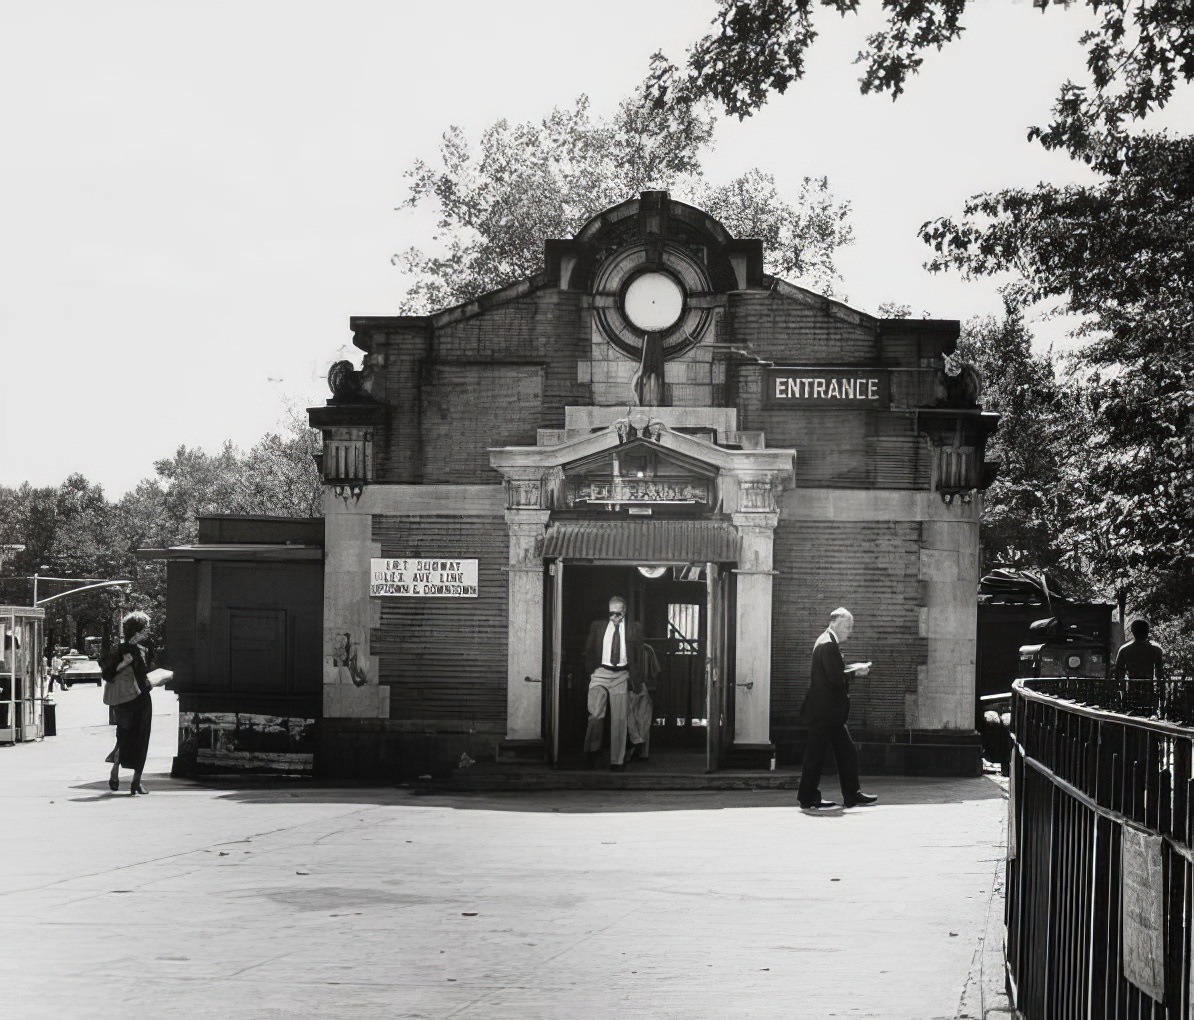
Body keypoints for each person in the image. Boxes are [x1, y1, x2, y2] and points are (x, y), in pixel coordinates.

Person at [797, 607, 878, 811]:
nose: (849, 631)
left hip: (826, 713)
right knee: (817, 755)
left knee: (845, 752)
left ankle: (850, 795)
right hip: (825, 713)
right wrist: (856, 672)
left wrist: (850, 669)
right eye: (847, 626)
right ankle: (809, 797)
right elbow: (834, 678)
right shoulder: (829, 645)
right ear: (835, 623)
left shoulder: (825, 641)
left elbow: (833, 672)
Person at [583, 595, 645, 771]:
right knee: (595, 713)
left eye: (618, 614)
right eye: (611, 614)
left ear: (624, 612)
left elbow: (639, 655)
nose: (614, 618)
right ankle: (591, 752)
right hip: (600, 672)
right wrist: (591, 671)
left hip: (622, 674)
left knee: (619, 718)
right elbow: (588, 650)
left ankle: (617, 761)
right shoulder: (598, 626)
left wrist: (637, 679)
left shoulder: (634, 628)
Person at [101, 611, 155, 796]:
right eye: (146, 628)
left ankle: (115, 769)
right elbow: (144, 678)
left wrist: (122, 664)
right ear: (138, 631)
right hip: (141, 699)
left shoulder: (117, 650)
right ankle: (136, 783)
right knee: (142, 738)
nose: (148, 632)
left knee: (122, 735)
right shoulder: (142, 651)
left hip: (123, 701)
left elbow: (107, 674)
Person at [626, 641, 661, 762]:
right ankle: (639, 747)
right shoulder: (647, 649)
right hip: (631, 686)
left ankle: (639, 748)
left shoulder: (647, 649)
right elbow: (655, 672)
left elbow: (655, 672)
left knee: (639, 719)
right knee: (639, 718)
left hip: (637, 686)